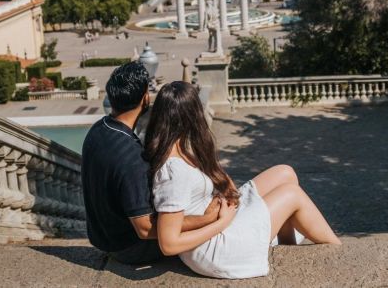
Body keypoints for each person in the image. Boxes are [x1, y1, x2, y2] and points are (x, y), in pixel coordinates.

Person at [144, 81, 341, 279]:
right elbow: (168, 244)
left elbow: (219, 180)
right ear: (193, 115)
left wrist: (224, 195)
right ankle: (337, 252)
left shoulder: (183, 148)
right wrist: (221, 223)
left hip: (217, 221)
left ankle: (285, 246)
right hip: (214, 247)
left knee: (285, 173)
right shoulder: (173, 171)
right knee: (292, 194)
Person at [80, 62, 223, 264]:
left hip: (103, 238)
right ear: (146, 98)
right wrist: (207, 219)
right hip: (130, 249)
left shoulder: (98, 129)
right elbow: (145, 229)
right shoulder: (132, 158)